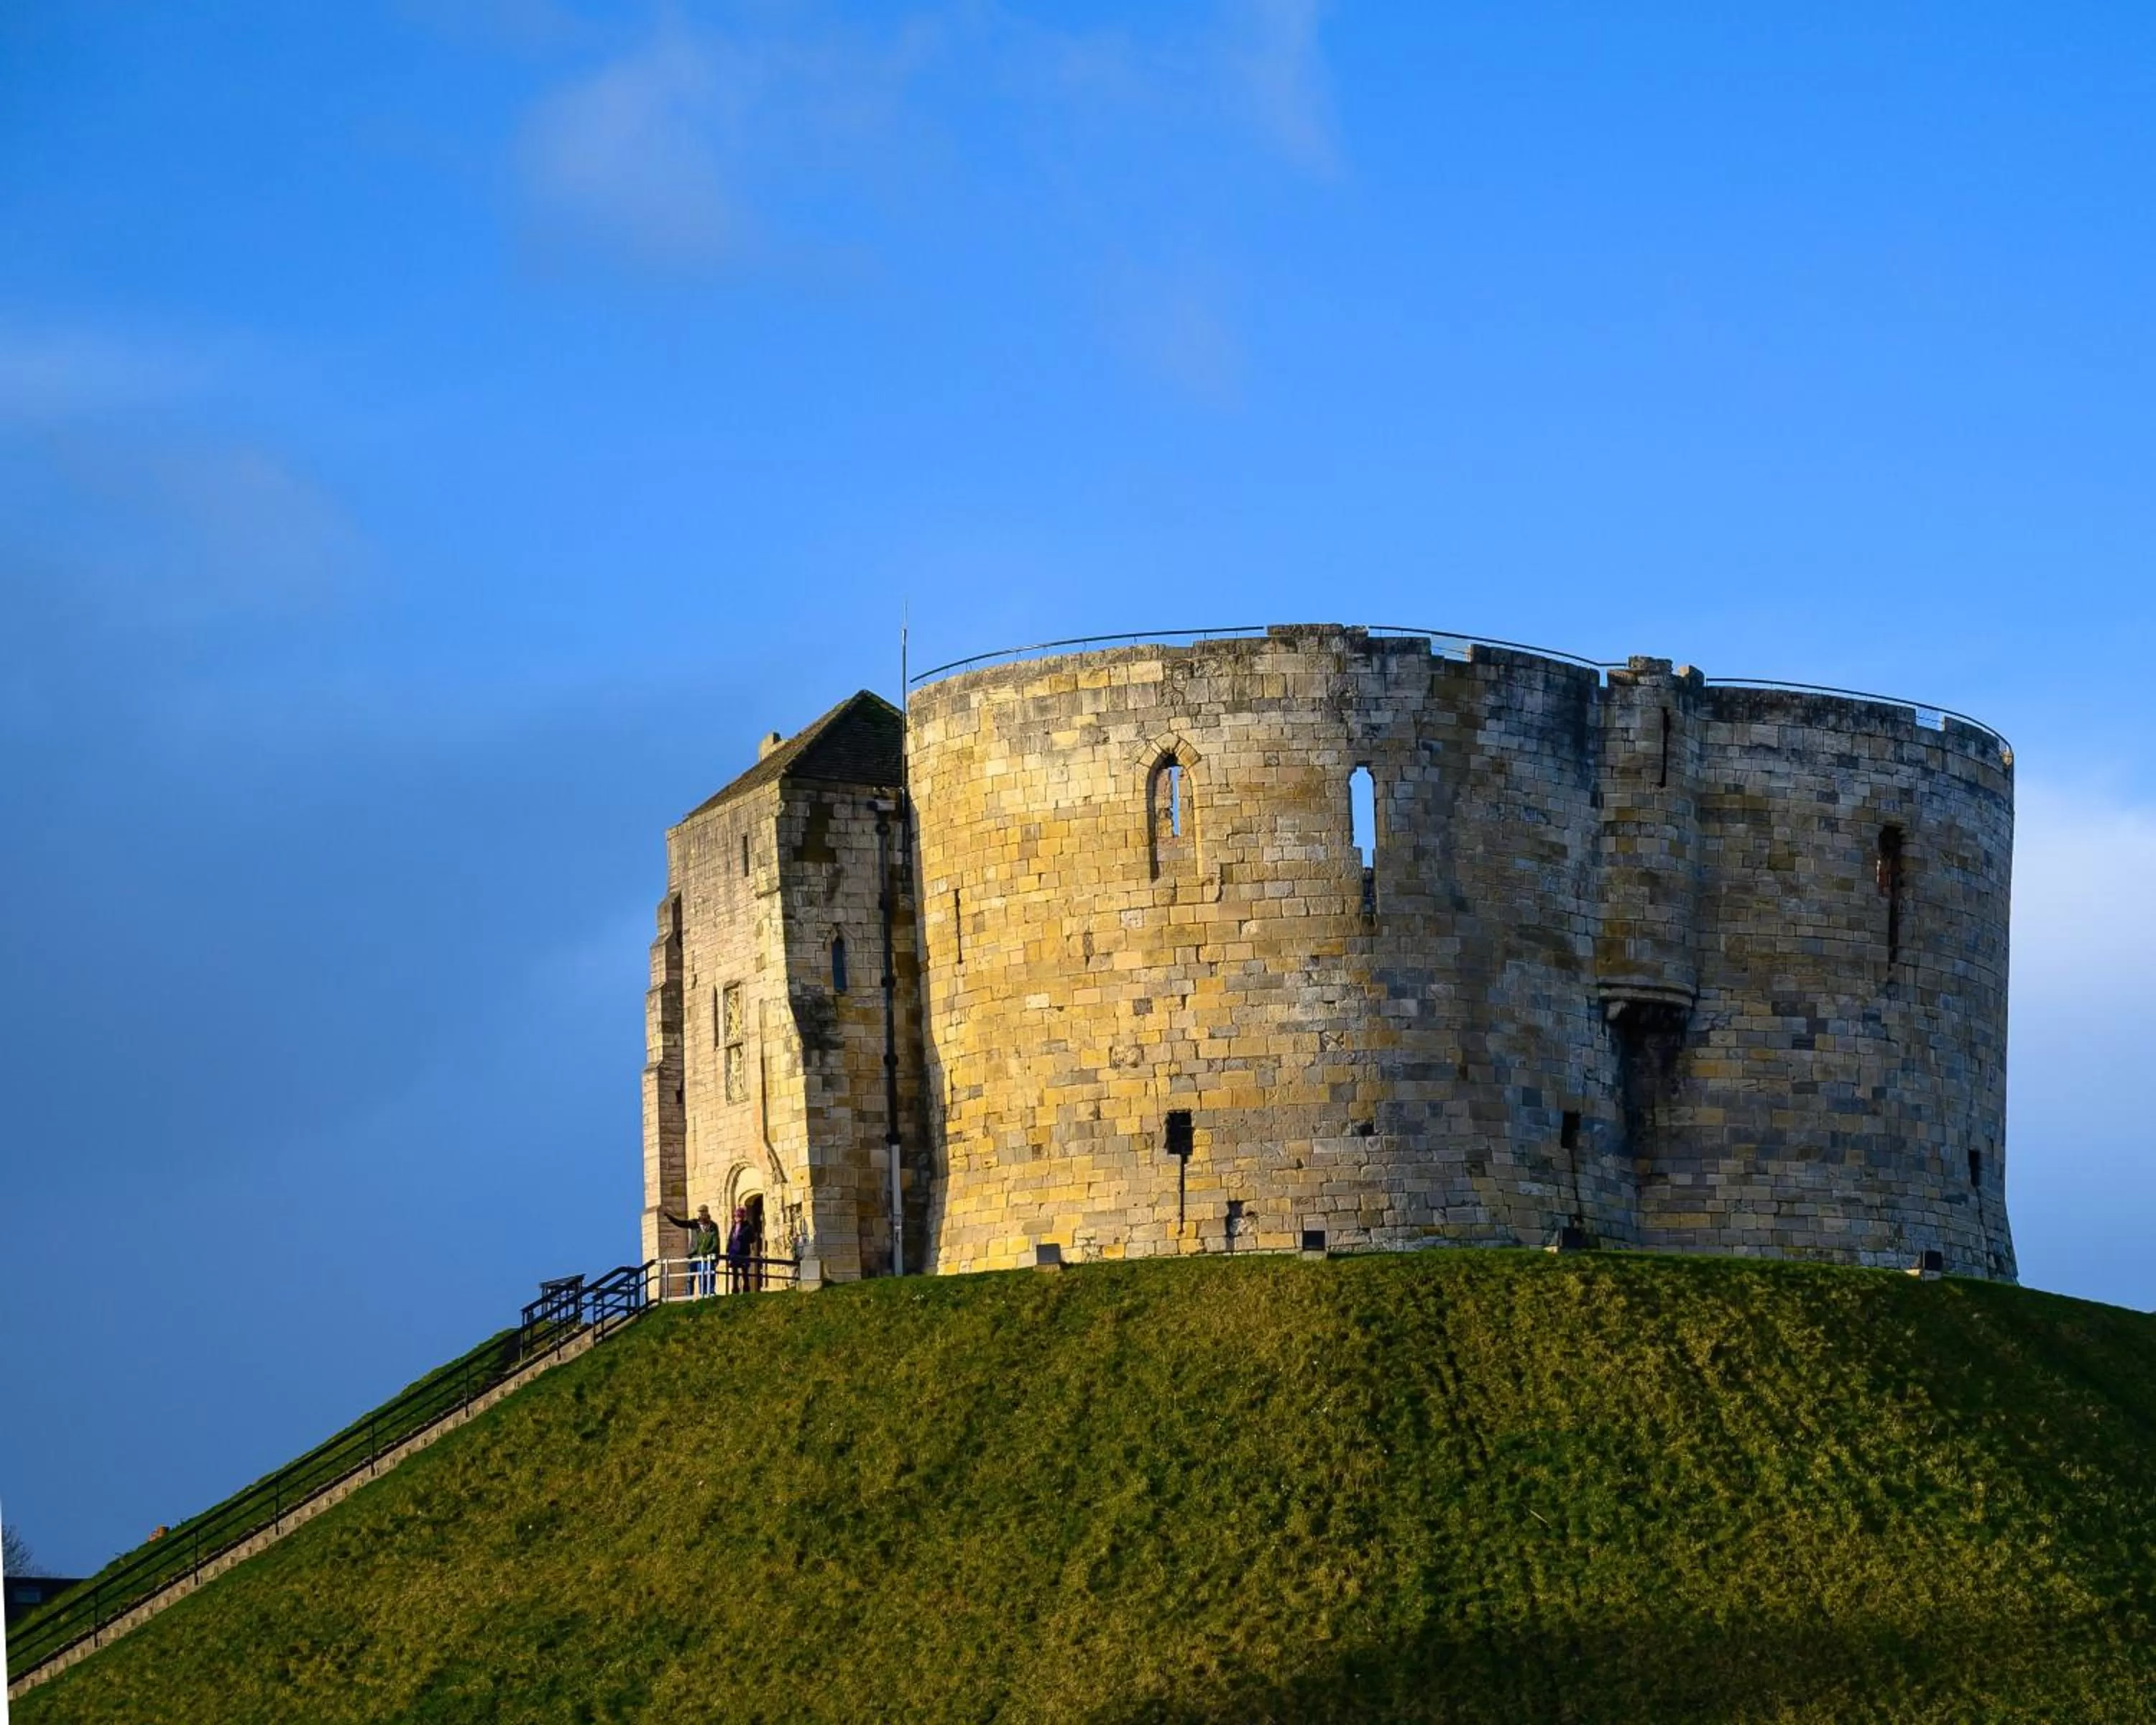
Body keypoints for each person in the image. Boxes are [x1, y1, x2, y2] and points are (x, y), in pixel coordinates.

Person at [662, 1204, 721, 1298]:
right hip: (694, 1255)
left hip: (705, 1256)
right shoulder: (694, 1224)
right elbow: (680, 1223)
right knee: (690, 1277)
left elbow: (716, 1242)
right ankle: (689, 1297)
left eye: (703, 1213)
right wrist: (670, 1217)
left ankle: (705, 1296)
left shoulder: (713, 1226)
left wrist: (714, 1255)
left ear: (707, 1213)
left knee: (704, 1276)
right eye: (700, 1213)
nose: (701, 1215)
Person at [726, 1205, 752, 1293]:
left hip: (743, 1252)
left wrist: (743, 1238)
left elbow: (753, 1239)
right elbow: (731, 1238)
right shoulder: (734, 1227)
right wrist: (728, 1248)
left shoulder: (747, 1226)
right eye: (735, 1216)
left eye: (738, 1216)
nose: (736, 1218)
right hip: (734, 1252)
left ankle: (746, 1289)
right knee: (735, 1273)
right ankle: (735, 1289)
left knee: (745, 1272)